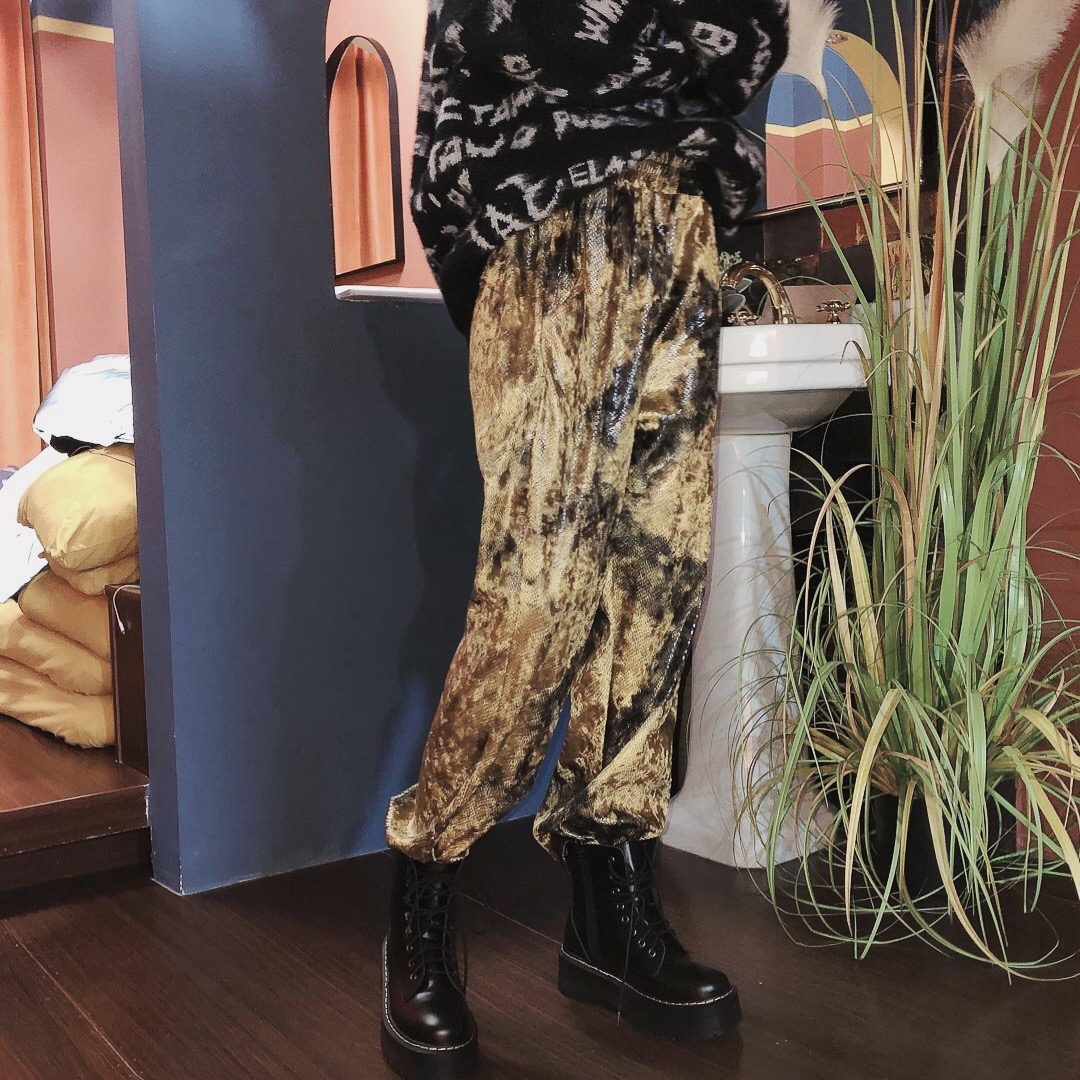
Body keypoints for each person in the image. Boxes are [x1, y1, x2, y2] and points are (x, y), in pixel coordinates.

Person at [381, 3, 788, 1077]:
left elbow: (751, 42)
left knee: (656, 589)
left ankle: (610, 908)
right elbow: (511, 29)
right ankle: (424, 890)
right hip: (550, 217)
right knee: (540, 593)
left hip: (685, 224)